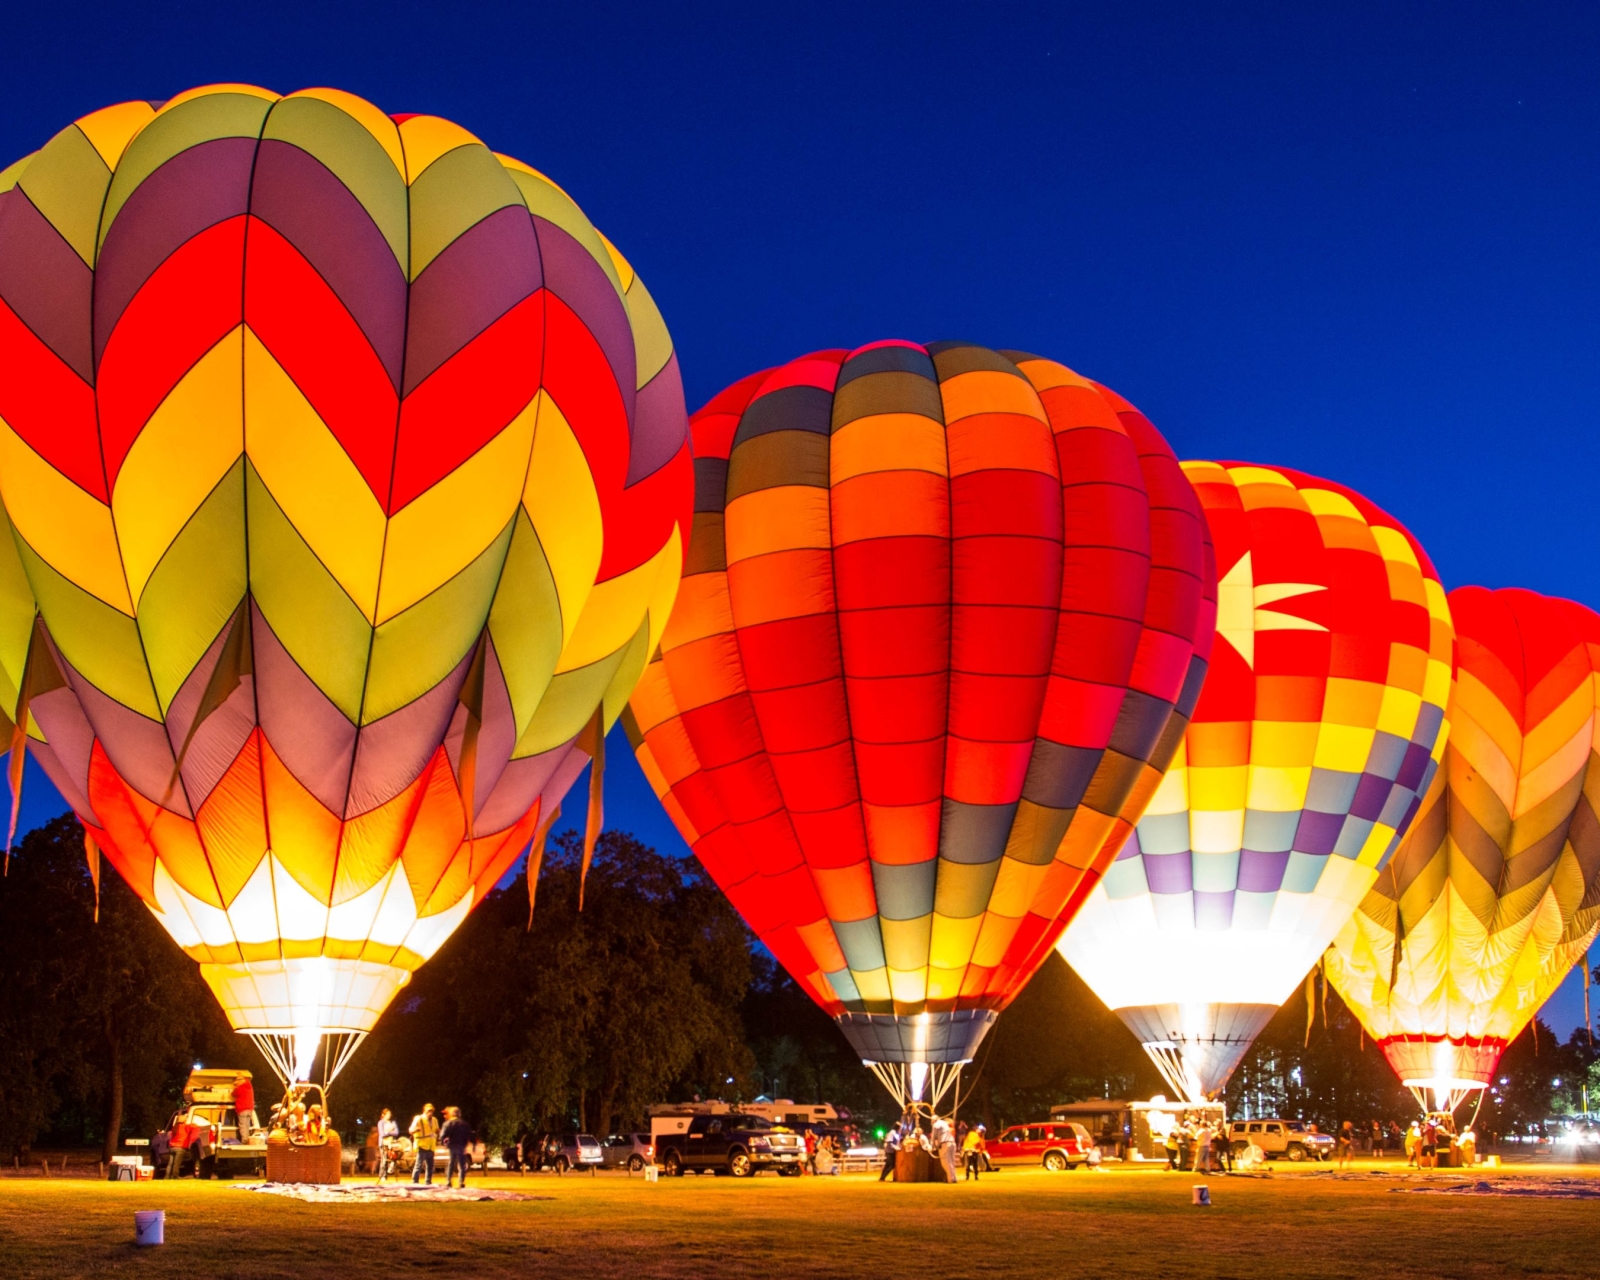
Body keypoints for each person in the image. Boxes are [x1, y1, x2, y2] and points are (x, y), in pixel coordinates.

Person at [440, 1106, 473, 1188]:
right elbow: (470, 1135)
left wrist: (443, 1143)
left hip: (452, 1145)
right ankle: (461, 1181)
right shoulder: (465, 1124)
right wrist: (471, 1143)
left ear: (452, 1114)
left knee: (451, 1163)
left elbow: (443, 1135)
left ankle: (448, 1181)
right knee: (462, 1164)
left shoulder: (448, 1123)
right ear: (459, 1114)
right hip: (461, 1146)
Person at [410, 1103, 439, 1184]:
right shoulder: (418, 1118)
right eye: (429, 1111)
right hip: (421, 1145)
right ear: (424, 1111)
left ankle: (428, 1181)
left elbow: (435, 1131)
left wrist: (438, 1132)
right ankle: (415, 1182)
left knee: (430, 1166)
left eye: (432, 1111)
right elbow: (411, 1130)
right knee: (418, 1165)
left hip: (431, 1146)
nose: (430, 1113)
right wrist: (415, 1129)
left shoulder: (434, 1120)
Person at [375, 1108, 400, 1182]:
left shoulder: (393, 1122)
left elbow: (396, 1132)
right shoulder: (381, 1122)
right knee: (384, 1159)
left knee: (394, 1158)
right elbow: (382, 1134)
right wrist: (390, 1131)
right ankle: (383, 1175)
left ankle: (391, 1169)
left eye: (390, 1114)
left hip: (392, 1143)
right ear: (383, 1115)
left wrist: (388, 1133)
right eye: (388, 1114)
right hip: (383, 1143)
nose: (389, 1115)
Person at [232, 1074, 257, 1144]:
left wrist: (235, 1086)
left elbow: (233, 1094)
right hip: (250, 1109)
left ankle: (244, 1141)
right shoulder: (249, 1086)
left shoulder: (240, 1088)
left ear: (240, 1081)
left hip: (242, 1109)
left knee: (242, 1126)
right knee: (247, 1126)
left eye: (237, 1081)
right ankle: (247, 1140)